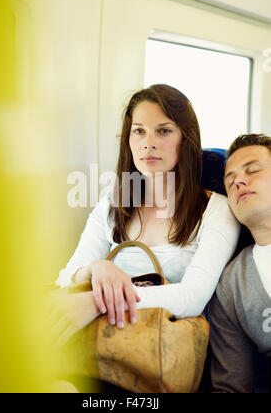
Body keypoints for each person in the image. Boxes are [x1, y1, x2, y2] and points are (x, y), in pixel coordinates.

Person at [54, 84, 240, 348]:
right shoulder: (113, 201)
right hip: (99, 344)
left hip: (162, 352)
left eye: (163, 131)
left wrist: (98, 302)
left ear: (185, 140)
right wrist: (98, 268)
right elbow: (65, 278)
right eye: (139, 131)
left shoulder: (216, 208)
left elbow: (193, 296)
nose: (149, 143)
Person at [209, 133, 271, 393]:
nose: (239, 182)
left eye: (253, 170)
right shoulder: (230, 288)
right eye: (230, 180)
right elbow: (231, 386)